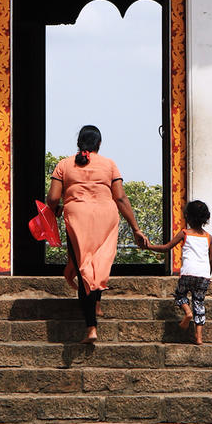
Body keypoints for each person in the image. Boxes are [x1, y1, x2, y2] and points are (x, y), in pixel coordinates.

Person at [46, 125, 147, 344]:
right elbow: (120, 198)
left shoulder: (64, 164)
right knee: (99, 262)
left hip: (77, 218)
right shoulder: (109, 164)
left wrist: (56, 210)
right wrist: (135, 228)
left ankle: (91, 328)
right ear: (99, 144)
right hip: (105, 217)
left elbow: (52, 198)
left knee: (83, 267)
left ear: (78, 143)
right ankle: (97, 303)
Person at [140, 200, 212, 345]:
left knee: (180, 295)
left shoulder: (185, 233)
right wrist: (209, 275)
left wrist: (149, 247)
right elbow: (210, 259)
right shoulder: (208, 237)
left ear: (187, 217)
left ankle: (188, 313)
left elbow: (166, 248)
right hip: (204, 275)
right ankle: (199, 337)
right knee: (199, 302)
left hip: (188, 272)